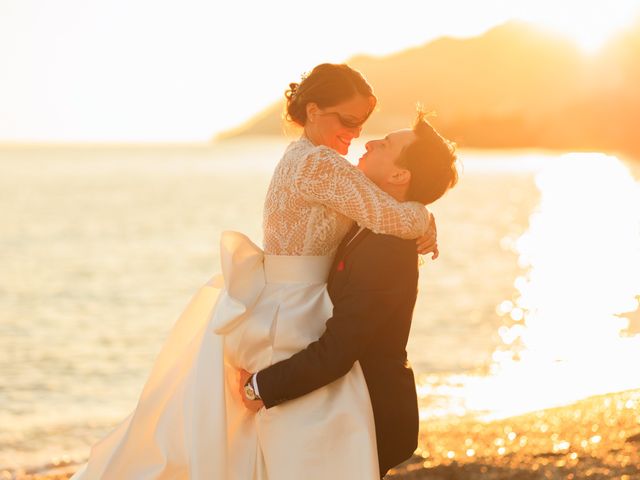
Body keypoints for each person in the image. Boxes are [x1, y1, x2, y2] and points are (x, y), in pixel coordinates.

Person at [71, 63, 436, 480]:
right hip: (295, 309)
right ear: (314, 110)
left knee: (266, 442)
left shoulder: (305, 156)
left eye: (363, 123)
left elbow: (381, 212)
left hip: (284, 301)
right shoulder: (320, 165)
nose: (357, 134)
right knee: (298, 440)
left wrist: (419, 215)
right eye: (348, 121)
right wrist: (424, 218)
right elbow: (392, 216)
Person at [239, 112, 459, 478]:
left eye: (385, 144)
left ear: (399, 175)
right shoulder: (372, 222)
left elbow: (340, 348)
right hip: (342, 408)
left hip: (368, 415)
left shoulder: (388, 248)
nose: (369, 142)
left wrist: (259, 386)